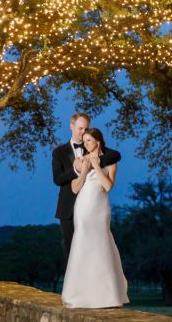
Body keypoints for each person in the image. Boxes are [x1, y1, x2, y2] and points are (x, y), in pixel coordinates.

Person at [61, 128, 129, 308]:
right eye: (84, 141)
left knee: (102, 243)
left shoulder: (111, 161)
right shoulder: (80, 160)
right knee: (82, 243)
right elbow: (75, 189)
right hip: (83, 207)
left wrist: (97, 166)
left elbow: (107, 186)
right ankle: (80, 294)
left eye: (89, 140)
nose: (86, 144)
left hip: (100, 208)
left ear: (98, 141)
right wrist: (83, 171)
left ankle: (107, 295)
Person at [52, 113, 120, 264]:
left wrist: (94, 161)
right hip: (68, 206)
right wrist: (76, 170)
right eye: (80, 128)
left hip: (93, 206)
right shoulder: (59, 152)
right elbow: (57, 179)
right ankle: (72, 287)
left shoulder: (91, 146)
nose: (83, 132)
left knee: (95, 248)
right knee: (71, 251)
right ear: (71, 127)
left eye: (86, 128)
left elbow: (115, 155)